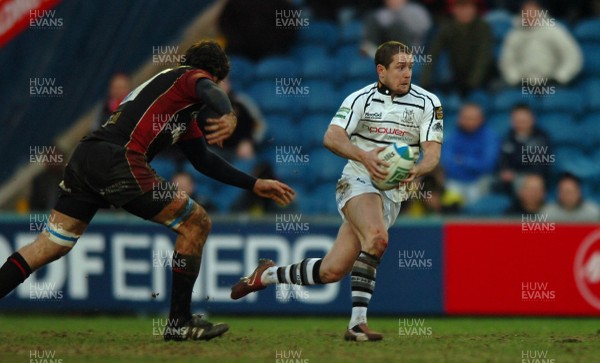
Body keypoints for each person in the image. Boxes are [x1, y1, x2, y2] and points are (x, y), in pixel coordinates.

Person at [0, 40, 295, 341]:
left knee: (51, 245)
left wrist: (254, 183)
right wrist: (229, 114)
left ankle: (180, 321)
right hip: (118, 159)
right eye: (217, 81)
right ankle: (179, 321)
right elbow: (208, 89)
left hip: (88, 157)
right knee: (196, 222)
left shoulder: (180, 110)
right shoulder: (186, 77)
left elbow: (204, 161)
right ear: (213, 75)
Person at [231, 41, 443, 342]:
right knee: (377, 237)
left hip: (393, 193)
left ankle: (265, 275)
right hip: (357, 181)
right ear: (381, 71)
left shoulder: (428, 102)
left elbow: (432, 154)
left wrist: (417, 169)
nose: (407, 73)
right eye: (400, 67)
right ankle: (357, 324)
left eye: (410, 66)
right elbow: (331, 137)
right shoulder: (360, 99)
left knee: (331, 271)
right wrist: (364, 156)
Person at [499, 0, 583, 87]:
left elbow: (572, 56)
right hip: (522, 84)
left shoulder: (555, 31)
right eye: (526, 12)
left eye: (532, 11)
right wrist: (515, 79)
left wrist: (560, 77)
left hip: (551, 82)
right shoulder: (514, 35)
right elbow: (507, 62)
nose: (529, 15)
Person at [420, 0, 493, 96]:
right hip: (456, 78)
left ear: (474, 9)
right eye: (460, 8)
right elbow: (432, 54)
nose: (464, 12)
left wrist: (472, 83)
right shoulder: (447, 27)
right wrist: (424, 83)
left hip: (483, 81)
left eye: (467, 7)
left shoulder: (483, 27)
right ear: (453, 9)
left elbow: (483, 57)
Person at [441, 103, 499, 204]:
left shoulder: (490, 137)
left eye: (473, 118)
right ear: (459, 119)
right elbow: (447, 163)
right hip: (455, 180)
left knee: (482, 188)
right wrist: (472, 163)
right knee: (448, 190)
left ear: (481, 119)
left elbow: (487, 165)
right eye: (465, 118)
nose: (469, 121)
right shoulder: (451, 136)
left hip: (479, 180)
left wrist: (461, 160)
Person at [497, 103, 552, 195]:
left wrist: (515, 174)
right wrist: (505, 172)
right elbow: (503, 162)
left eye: (523, 121)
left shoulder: (541, 138)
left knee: (532, 183)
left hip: (533, 179)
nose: (520, 124)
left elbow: (540, 167)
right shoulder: (507, 138)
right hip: (508, 182)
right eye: (517, 121)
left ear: (532, 120)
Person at [361, 0, 432, 58]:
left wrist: (400, 13)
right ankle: (373, 51)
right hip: (386, 46)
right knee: (374, 19)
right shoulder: (382, 13)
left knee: (397, 27)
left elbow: (423, 31)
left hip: (412, 46)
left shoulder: (416, 10)